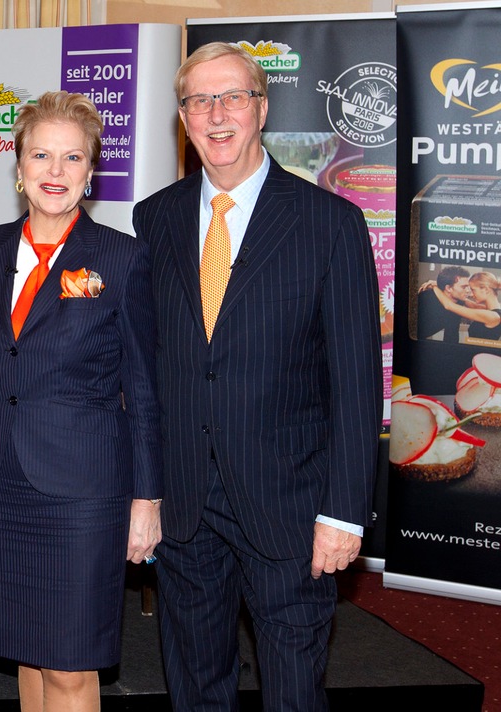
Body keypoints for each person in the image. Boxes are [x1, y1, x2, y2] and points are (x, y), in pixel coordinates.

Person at [133, 42, 382, 711]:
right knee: (195, 689)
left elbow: (358, 385)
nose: (216, 114)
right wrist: (145, 492)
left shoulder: (330, 223)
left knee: (295, 693)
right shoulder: (151, 219)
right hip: (185, 508)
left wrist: (343, 515)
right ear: (182, 118)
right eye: (198, 100)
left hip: (291, 511)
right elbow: (147, 372)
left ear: (261, 108)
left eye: (232, 96)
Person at [0, 90, 162, 712]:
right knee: (25, 650)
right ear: (18, 167)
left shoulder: (122, 259)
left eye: (72, 158)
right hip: (1, 481)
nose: (55, 172)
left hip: (83, 492)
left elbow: (146, 389)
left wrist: (147, 499)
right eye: (41, 156)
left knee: (71, 666)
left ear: (91, 172)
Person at [421, 270, 501, 341]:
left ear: (486, 289)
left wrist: (435, 286)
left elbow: (448, 305)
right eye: (465, 287)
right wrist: (440, 285)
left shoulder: (492, 316)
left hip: (479, 355)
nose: (471, 294)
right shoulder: (489, 309)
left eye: (473, 290)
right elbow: (466, 302)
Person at [416, 265, 471, 341]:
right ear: (448, 288)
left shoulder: (459, 303)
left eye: (468, 286)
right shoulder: (425, 298)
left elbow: (451, 334)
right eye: (464, 287)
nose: (468, 290)